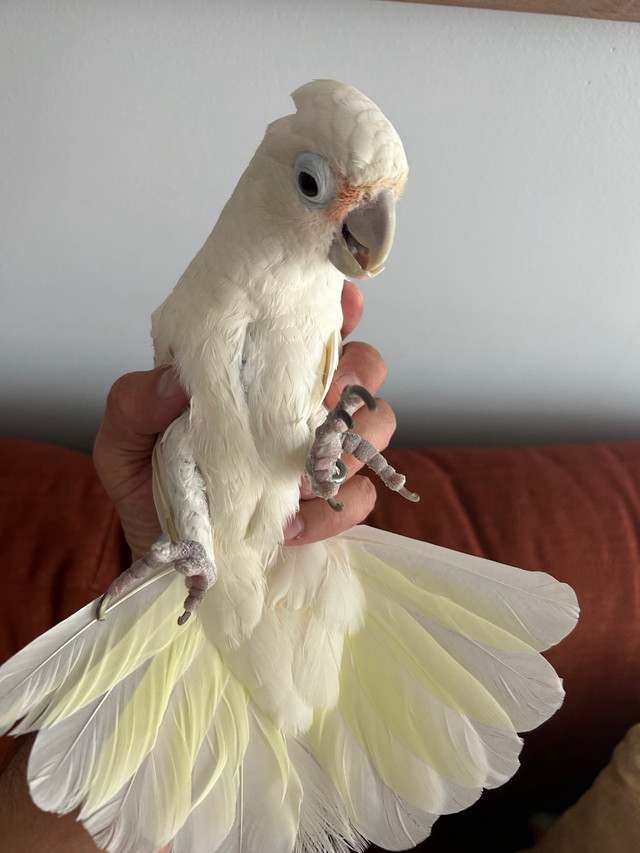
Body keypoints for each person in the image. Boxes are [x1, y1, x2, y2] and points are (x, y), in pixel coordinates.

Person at [0, 281, 397, 853]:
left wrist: (324, 443)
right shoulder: (192, 305)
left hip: (266, 527)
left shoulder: (317, 297)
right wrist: (175, 529)